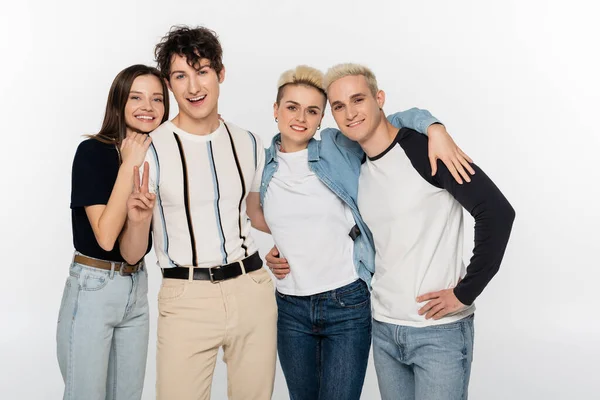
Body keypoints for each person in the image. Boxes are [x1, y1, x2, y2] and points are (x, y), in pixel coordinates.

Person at [258, 65, 473, 400]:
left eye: (313, 110)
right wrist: (276, 248)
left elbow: (387, 122)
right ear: (275, 110)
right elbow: (263, 213)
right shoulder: (264, 164)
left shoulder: (336, 147)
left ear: (321, 118)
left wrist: (433, 126)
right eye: (291, 107)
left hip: (345, 303)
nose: (301, 117)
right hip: (290, 308)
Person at [323, 63, 516, 400]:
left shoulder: (425, 149)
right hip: (383, 330)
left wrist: (464, 293)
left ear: (379, 98)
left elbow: (497, 213)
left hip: (438, 333)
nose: (350, 113)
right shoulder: (359, 168)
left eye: (358, 99)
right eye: (339, 106)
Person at [119, 26, 276, 400]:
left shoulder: (249, 141)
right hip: (185, 297)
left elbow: (256, 213)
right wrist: (139, 221)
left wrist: (295, 242)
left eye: (202, 71)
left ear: (220, 73)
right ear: (169, 85)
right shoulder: (149, 149)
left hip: (252, 289)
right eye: (180, 76)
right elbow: (129, 253)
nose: (193, 87)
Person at [56, 64, 169, 400]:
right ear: (119, 102)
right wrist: (130, 163)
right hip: (93, 288)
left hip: (135, 287)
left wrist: (140, 218)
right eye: (136, 97)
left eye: (157, 99)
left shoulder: (160, 159)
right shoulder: (92, 152)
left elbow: (132, 252)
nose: (147, 107)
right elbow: (105, 238)